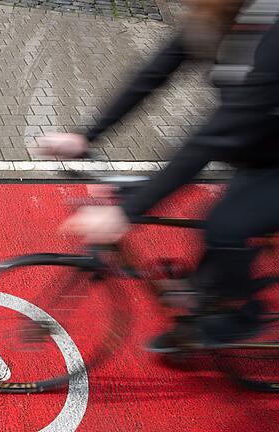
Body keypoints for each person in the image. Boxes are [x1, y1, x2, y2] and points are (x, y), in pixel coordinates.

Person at [41, 1, 279, 351]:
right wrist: (87, 135)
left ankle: (242, 315)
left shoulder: (270, 34)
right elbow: (153, 74)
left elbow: (214, 137)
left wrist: (125, 213)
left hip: (268, 160)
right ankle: (199, 316)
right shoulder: (214, 18)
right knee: (207, 237)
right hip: (258, 150)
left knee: (224, 225)